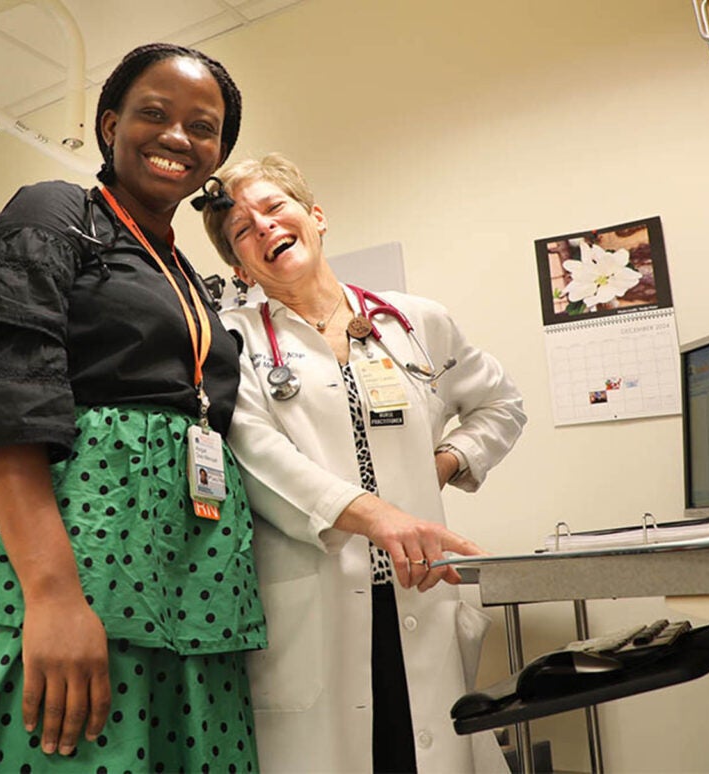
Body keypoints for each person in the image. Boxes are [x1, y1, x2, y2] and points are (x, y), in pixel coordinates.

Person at [0, 44, 266, 773]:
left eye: (202, 127)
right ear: (110, 124)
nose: (178, 136)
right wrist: (54, 596)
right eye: (154, 114)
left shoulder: (183, 270)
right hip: (70, 568)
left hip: (190, 586)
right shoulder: (55, 212)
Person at [202, 153, 526, 773]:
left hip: (420, 591)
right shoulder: (231, 341)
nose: (263, 227)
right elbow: (255, 452)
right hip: (314, 599)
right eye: (242, 229)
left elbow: (501, 404)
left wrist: (446, 463)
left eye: (275, 208)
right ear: (239, 262)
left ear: (315, 217)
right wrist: (375, 516)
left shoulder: (415, 321)